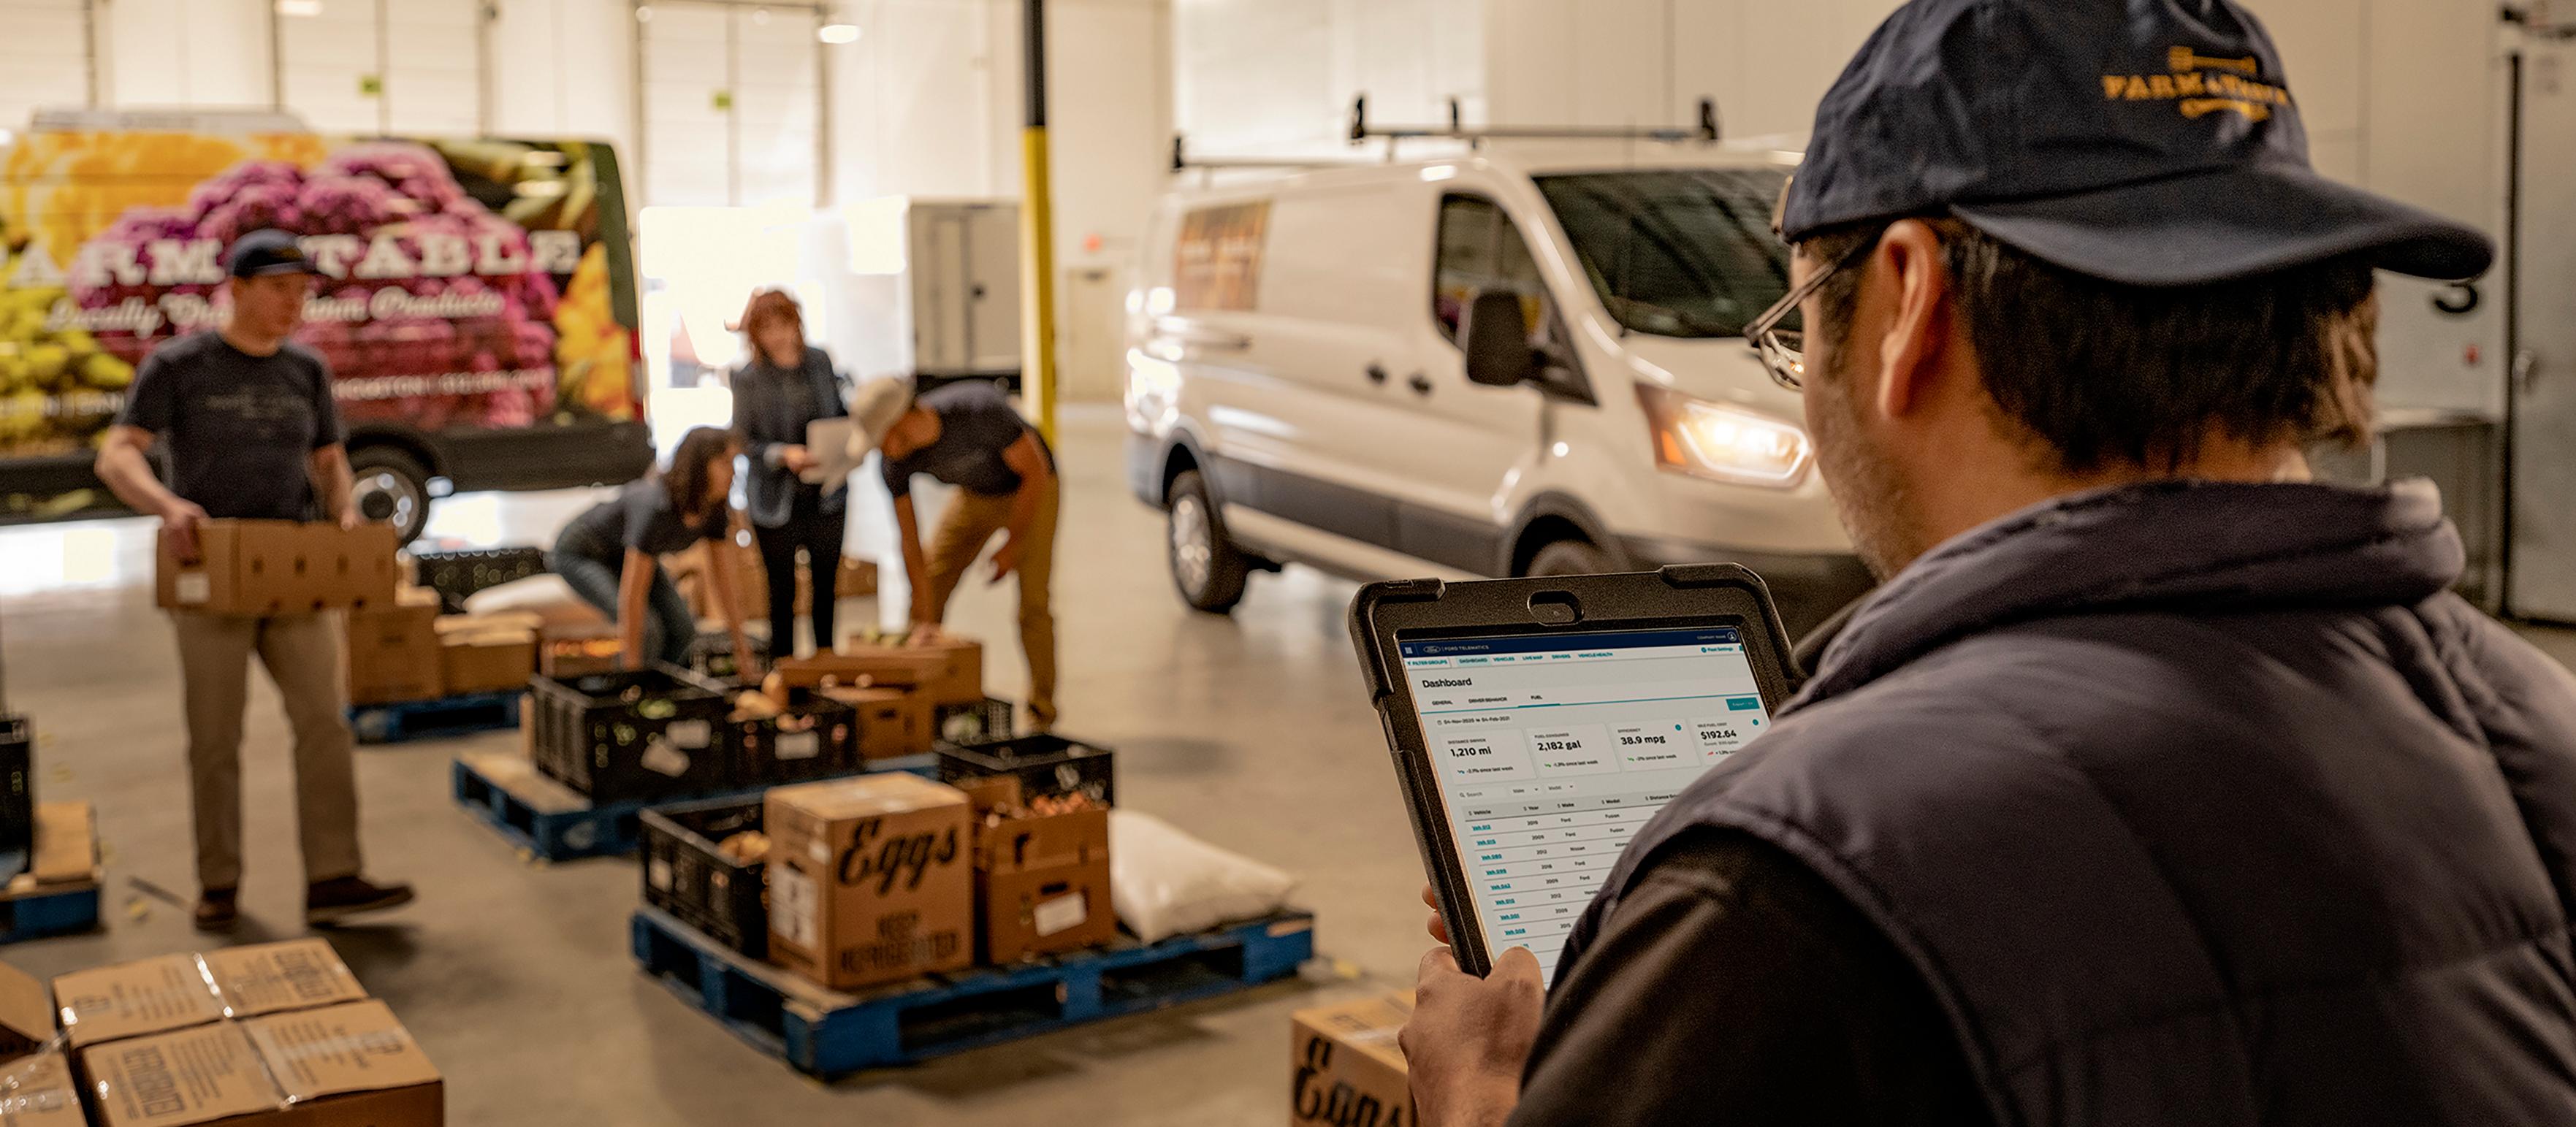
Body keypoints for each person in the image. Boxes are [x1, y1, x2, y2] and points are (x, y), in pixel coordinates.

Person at [1398, 2, 2576, 1126]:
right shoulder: (2539, 724)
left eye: (1800, 320)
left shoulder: (1792, 888)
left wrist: (1482, 1096)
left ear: (1907, 301)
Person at [94, 229, 415, 933]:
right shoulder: (179, 366)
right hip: (212, 571)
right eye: (278, 290)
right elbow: (117, 454)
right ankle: (219, 882)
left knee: (324, 723)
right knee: (215, 737)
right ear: (236, 289)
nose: (293, 305)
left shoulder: (306, 370)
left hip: (293, 571)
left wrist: (345, 512)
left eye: (302, 292)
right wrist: (168, 506)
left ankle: (333, 875)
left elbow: (329, 460)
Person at [848, 378, 1059, 728]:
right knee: (931, 582)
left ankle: (1042, 711)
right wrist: (924, 616)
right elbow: (910, 543)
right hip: (976, 495)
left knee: (1033, 603)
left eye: (881, 439)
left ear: (901, 423)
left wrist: (1012, 545)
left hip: (1032, 488)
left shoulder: (979, 410)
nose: (880, 450)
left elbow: (1035, 472)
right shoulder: (894, 464)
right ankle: (919, 703)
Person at [550, 427, 752, 673]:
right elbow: (632, 596)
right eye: (724, 463)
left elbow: (724, 582)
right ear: (700, 466)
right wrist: (632, 677)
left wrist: (744, 655)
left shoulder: (715, 509)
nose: (733, 472)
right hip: (581, 553)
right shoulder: (656, 507)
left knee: (683, 630)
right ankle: (627, 689)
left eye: (734, 463)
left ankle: (660, 688)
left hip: (625, 556)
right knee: (647, 631)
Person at [728, 289, 850, 657]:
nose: (778, 336)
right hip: (774, 498)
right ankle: (784, 671)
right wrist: (782, 454)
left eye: (784, 325)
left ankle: (825, 664)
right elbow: (742, 440)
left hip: (826, 490)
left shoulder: (819, 362)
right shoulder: (748, 378)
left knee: (826, 585)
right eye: (767, 329)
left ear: (797, 324)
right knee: (781, 589)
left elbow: (838, 413)